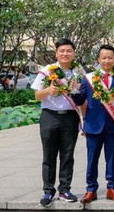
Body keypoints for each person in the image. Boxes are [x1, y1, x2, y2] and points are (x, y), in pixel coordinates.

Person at [75, 45, 114, 204]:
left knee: (112, 159)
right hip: (93, 125)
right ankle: (90, 189)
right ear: (98, 60)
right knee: (92, 159)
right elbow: (81, 100)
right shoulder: (89, 78)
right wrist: (73, 91)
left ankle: (112, 188)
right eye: (104, 58)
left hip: (113, 125)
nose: (107, 60)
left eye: (110, 57)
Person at [32, 38, 84, 207]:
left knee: (68, 155)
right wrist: (48, 90)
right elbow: (37, 96)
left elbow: (83, 98)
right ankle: (48, 191)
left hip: (70, 116)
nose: (65, 54)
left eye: (69, 51)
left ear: (74, 53)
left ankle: (64, 189)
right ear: (56, 53)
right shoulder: (48, 70)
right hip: (50, 116)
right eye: (62, 51)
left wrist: (86, 118)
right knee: (49, 155)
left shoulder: (78, 71)